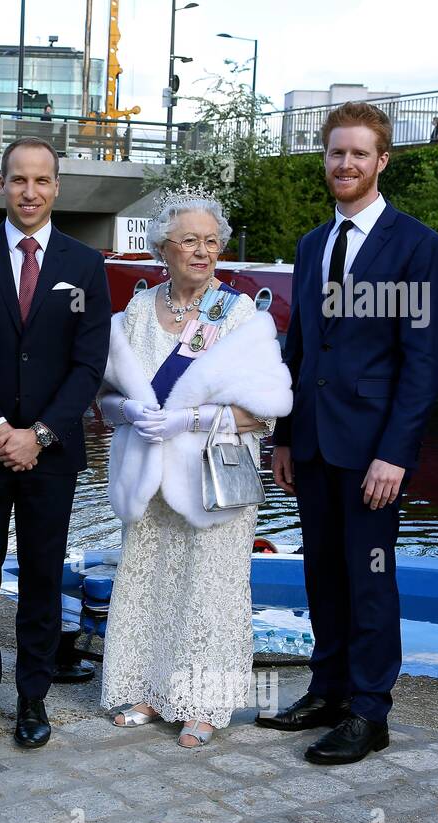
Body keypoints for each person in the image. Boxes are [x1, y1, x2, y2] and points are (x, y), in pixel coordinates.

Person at [261, 101, 438, 764]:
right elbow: (300, 346)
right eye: (335, 153)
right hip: (312, 442)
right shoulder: (314, 244)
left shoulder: (418, 246)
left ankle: (370, 712)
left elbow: (423, 362)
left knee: (369, 578)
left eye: (358, 154)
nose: (345, 164)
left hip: (373, 451)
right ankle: (329, 691)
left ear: (381, 160)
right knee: (323, 574)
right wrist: (283, 436)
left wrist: (394, 455)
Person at [0, 136, 111, 750]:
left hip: (53, 451)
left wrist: (38, 434)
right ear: (1, 185)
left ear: (57, 186)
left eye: (41, 180)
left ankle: (33, 696)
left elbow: (89, 365)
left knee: (42, 575)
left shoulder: (85, 265)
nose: (29, 191)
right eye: (18, 180)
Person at [97, 192, 291, 748]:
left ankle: (204, 703)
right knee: (151, 578)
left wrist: (193, 417)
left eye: (211, 241)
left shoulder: (239, 317)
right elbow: (107, 400)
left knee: (209, 587)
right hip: (148, 470)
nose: (201, 252)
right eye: (189, 241)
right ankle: (149, 689)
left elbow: (266, 410)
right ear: (163, 248)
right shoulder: (136, 312)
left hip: (213, 474)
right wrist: (128, 410)